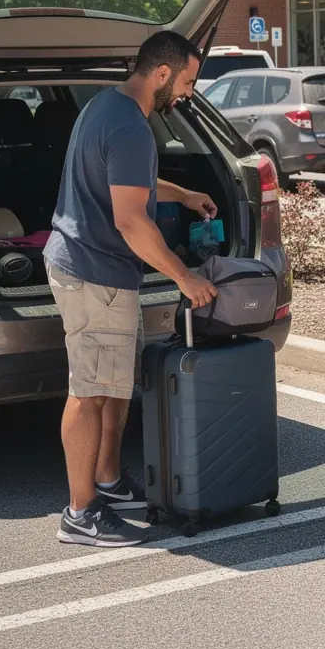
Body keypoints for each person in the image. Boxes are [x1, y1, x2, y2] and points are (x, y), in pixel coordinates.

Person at [45, 31, 220, 548]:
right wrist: (183, 276)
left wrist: (184, 194)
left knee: (114, 387)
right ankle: (80, 514)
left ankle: (107, 483)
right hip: (92, 272)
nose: (188, 92)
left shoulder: (109, 106)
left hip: (101, 272)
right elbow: (131, 220)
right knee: (91, 392)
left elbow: (128, 182)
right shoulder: (129, 127)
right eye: (187, 81)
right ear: (162, 74)